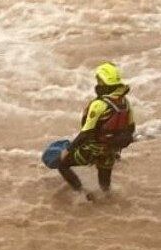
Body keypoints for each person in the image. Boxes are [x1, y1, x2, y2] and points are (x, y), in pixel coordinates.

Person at [57, 62, 136, 200]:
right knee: (105, 186)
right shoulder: (125, 102)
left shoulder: (99, 104)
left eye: (99, 81)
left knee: (61, 164)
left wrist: (68, 150)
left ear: (104, 82)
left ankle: (82, 193)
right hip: (111, 149)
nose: (97, 83)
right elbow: (131, 128)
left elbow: (86, 132)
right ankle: (108, 202)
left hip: (94, 147)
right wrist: (115, 148)